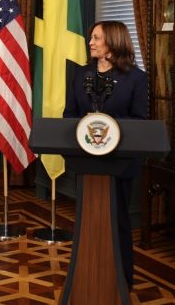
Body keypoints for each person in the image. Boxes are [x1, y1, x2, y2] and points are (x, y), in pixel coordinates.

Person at [63, 20, 148, 290]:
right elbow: (69, 115)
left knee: (118, 219)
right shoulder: (80, 74)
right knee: (88, 219)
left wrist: (109, 130)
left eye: (96, 37)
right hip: (86, 161)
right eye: (91, 37)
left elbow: (140, 121)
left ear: (113, 41)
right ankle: (86, 275)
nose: (91, 42)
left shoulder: (136, 78)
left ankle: (122, 280)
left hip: (120, 164)